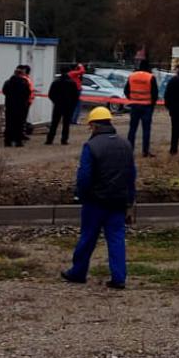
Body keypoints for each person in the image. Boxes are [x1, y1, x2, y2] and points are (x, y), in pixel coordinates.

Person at [61, 107, 136, 290]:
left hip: (95, 202)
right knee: (116, 239)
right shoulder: (125, 144)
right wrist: (129, 201)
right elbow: (131, 175)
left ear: (93, 125)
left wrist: (81, 195)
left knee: (87, 238)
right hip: (118, 201)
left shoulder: (91, 146)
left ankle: (78, 272)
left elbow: (84, 176)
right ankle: (119, 277)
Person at [124, 60, 159, 157]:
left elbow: (126, 90)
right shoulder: (150, 77)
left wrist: (132, 98)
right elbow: (155, 93)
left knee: (132, 129)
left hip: (134, 105)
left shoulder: (132, 76)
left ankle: (130, 150)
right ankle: (145, 151)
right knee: (146, 129)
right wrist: (152, 104)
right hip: (147, 106)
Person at [46, 65, 80, 145]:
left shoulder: (56, 82)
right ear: (69, 72)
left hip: (58, 105)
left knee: (54, 123)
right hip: (68, 106)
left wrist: (55, 101)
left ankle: (50, 139)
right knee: (66, 124)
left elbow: (50, 94)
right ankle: (64, 140)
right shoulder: (72, 83)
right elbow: (76, 96)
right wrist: (72, 105)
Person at [2, 65, 32, 147]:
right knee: (19, 124)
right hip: (20, 106)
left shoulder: (7, 82)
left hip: (10, 106)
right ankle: (18, 141)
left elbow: (4, 91)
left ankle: (7, 141)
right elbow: (28, 93)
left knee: (9, 124)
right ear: (21, 74)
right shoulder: (24, 83)